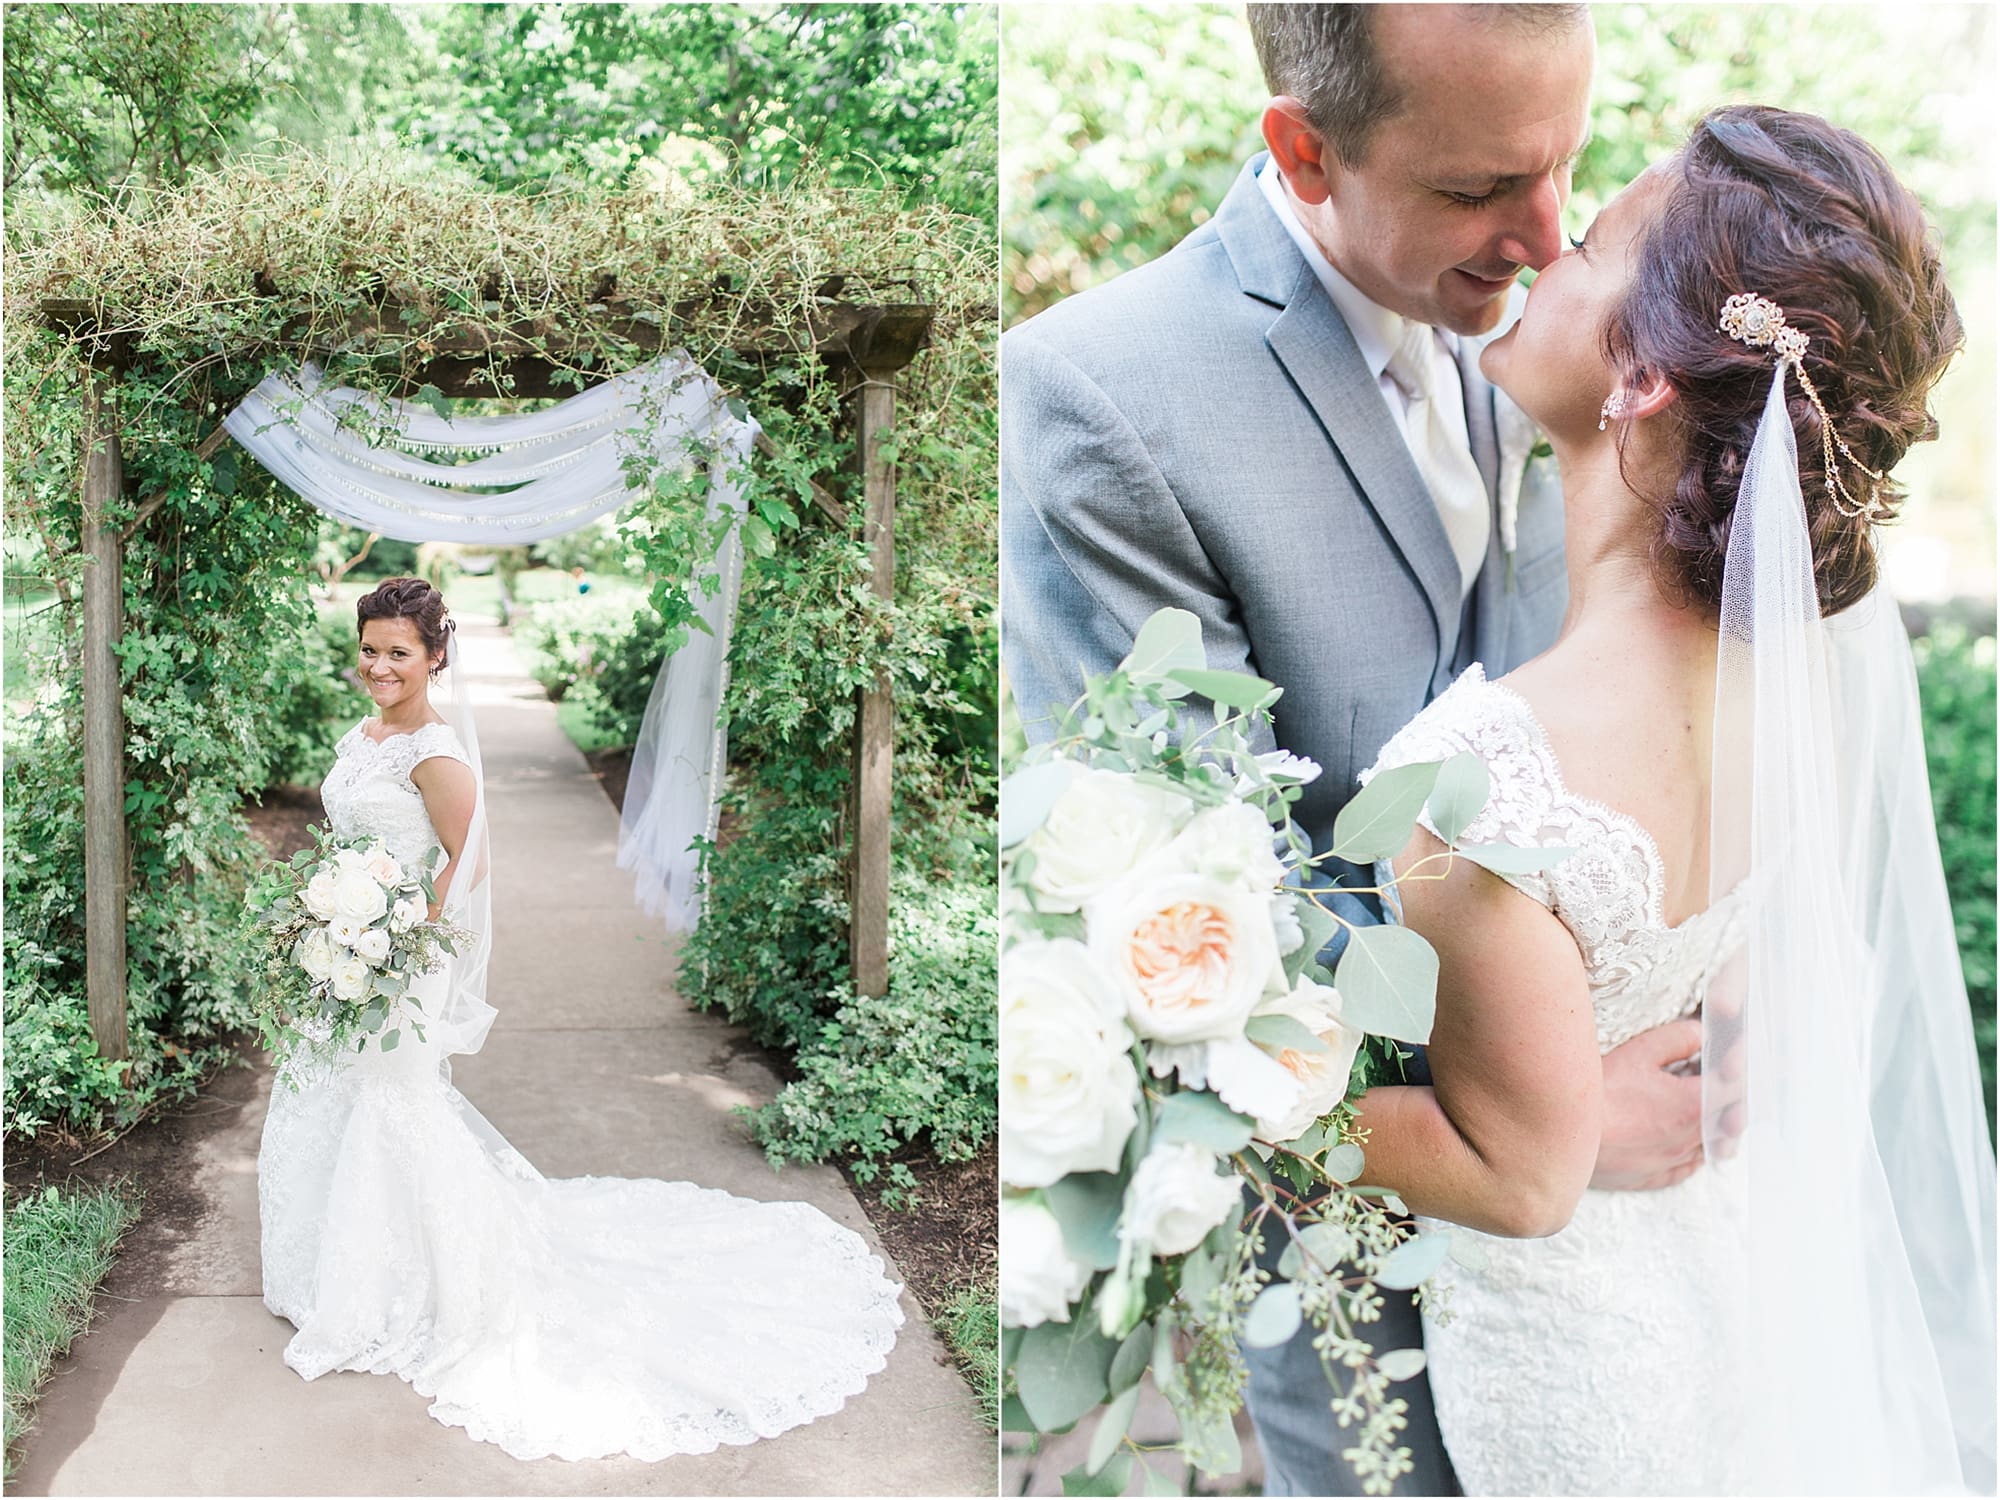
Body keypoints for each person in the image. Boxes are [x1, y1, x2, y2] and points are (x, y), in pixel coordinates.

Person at [1002, 6, 1704, 1491]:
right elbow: (1179, 912)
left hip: (1646, 1251)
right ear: (1306, 151)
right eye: (1477, 188)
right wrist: (1549, 1120)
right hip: (1362, 1228)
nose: (1544, 238)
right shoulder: (1101, 392)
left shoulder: (1564, 340)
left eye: (1561, 168)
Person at [1356, 106, 1995, 1493]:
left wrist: (1224, 1085)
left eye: (1585, 245)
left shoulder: (1478, 776)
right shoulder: (1803, 686)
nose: (1544, 246)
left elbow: (1522, 1179)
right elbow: (1746, 991)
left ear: (1641, 375)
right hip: (1734, 1302)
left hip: (1577, 1384)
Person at [256, 576, 903, 1461]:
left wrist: (389, 939)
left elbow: (469, 864)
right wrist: (330, 916)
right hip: (345, 950)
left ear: (435, 656)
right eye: (369, 649)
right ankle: (334, 1270)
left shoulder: (435, 754)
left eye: (398, 652)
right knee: (331, 1092)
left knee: (391, 1106)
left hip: (395, 962)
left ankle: (401, 1288)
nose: (379, 666)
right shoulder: (362, 736)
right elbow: (349, 844)